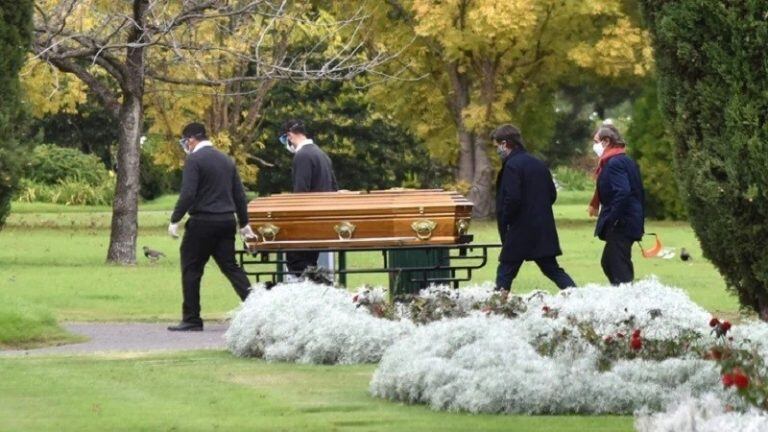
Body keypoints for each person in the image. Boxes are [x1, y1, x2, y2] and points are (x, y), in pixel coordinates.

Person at [167, 122, 255, 331]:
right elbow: (239, 196)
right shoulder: (226, 160)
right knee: (231, 267)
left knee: (191, 268)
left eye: (185, 141)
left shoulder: (194, 160)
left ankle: (192, 318)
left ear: (191, 139)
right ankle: (259, 307)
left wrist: (175, 219)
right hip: (226, 221)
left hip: (202, 222)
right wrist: (244, 224)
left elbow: (188, 193)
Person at [493, 124, 576, 291]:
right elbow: (551, 194)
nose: (496, 150)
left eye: (496, 146)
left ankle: (496, 305)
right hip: (541, 227)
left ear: (505, 143)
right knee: (551, 268)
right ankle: (577, 296)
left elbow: (512, 198)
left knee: (506, 270)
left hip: (519, 228)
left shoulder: (511, 166)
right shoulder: (538, 163)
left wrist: (506, 219)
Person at [279, 119, 338, 276]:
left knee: (297, 264)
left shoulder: (302, 156)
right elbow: (334, 188)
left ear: (290, 136)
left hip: (306, 222)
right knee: (310, 263)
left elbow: (301, 193)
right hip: (320, 220)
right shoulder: (321, 154)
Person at [588, 124, 645, 285]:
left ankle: (627, 302)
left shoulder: (614, 163)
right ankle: (621, 296)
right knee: (609, 262)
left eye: (596, 141)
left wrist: (613, 218)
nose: (595, 146)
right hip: (628, 219)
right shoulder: (624, 160)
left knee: (617, 265)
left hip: (622, 222)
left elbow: (623, 192)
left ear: (606, 141)